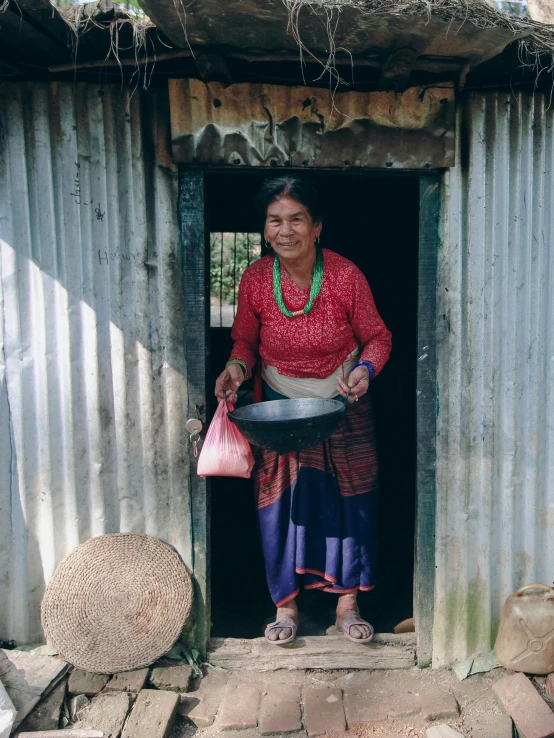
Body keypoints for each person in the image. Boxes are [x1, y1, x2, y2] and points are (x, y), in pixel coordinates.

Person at [215, 176, 392, 644]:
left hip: (342, 401)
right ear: (265, 228)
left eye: (296, 219)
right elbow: (245, 341)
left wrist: (366, 371)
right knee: (282, 506)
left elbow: (378, 336)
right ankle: (285, 606)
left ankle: (347, 605)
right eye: (275, 220)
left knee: (349, 505)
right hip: (278, 408)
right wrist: (236, 367)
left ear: (317, 227)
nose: (285, 230)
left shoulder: (345, 276)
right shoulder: (255, 278)